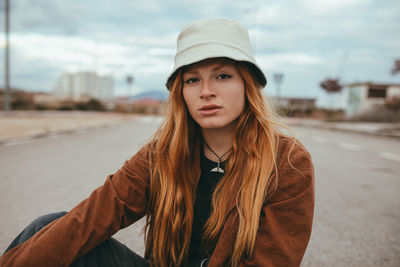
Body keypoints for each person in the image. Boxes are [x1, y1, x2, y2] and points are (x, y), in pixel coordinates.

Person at [0, 18, 314, 267]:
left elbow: (274, 261)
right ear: (181, 93)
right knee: (51, 228)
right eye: (192, 80)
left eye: (222, 76)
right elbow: (95, 216)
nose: (206, 91)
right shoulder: (162, 153)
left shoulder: (286, 160)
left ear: (248, 84)